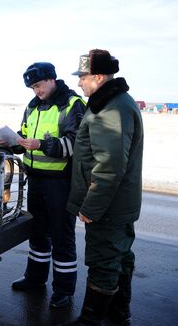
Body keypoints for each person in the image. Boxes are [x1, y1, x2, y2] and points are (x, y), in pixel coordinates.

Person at [65, 49, 143, 326]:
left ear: (98, 77)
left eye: (82, 77)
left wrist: (91, 208)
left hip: (108, 207)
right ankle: (118, 314)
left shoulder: (111, 107)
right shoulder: (112, 102)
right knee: (120, 257)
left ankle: (91, 320)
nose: (78, 83)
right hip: (117, 204)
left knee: (104, 262)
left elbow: (109, 166)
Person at [4, 62, 86, 309]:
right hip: (36, 181)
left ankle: (63, 290)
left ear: (52, 80)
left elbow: (76, 144)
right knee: (38, 232)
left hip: (61, 183)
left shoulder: (72, 105)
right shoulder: (33, 106)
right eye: (32, 87)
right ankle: (35, 278)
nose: (36, 91)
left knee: (62, 237)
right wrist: (13, 142)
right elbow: (26, 135)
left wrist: (41, 145)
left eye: (38, 85)